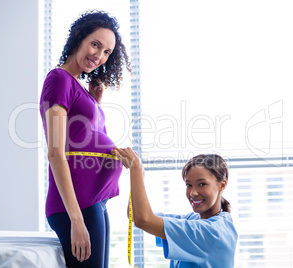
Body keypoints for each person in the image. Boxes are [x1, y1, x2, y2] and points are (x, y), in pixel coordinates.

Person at [39, 10, 130, 267]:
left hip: (93, 202)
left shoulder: (75, 85)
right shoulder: (59, 79)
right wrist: (76, 220)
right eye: (95, 44)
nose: (99, 56)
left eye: (106, 52)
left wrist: (93, 102)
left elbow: (80, 136)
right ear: (79, 36)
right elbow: (56, 152)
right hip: (78, 206)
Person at [111, 148, 238, 268]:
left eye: (202, 184)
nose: (193, 193)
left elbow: (143, 220)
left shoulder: (212, 233)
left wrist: (136, 168)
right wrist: (140, 174)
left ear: (222, 185)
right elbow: (135, 214)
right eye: (188, 185)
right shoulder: (194, 220)